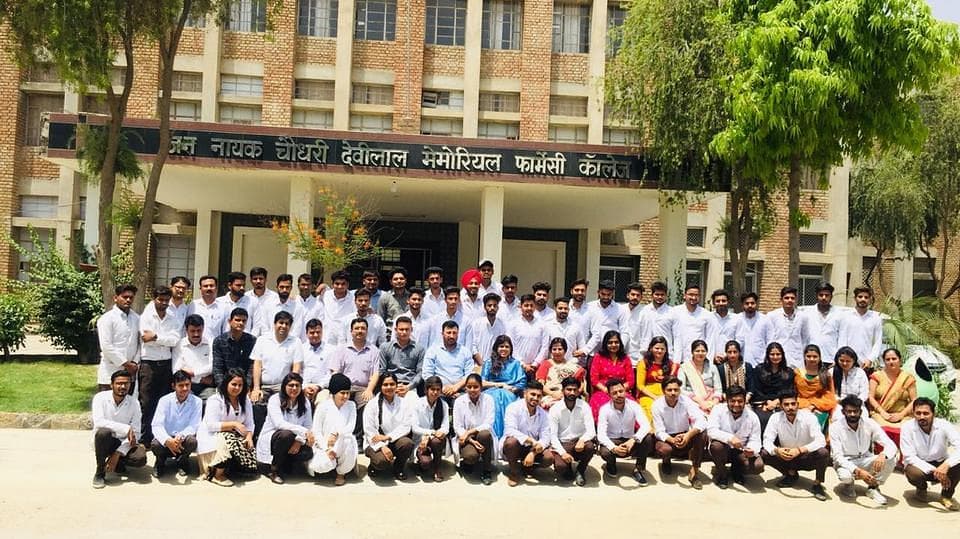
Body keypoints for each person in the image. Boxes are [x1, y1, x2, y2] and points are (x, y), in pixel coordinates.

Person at [761, 390, 830, 501]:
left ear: (797, 404)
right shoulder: (775, 418)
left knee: (823, 452)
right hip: (786, 456)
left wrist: (800, 450)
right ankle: (791, 475)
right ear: (781, 406)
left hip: (806, 456)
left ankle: (817, 484)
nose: (790, 407)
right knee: (764, 453)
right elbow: (767, 440)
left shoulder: (809, 417)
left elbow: (821, 440)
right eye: (786, 404)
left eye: (793, 404)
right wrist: (777, 450)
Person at [829, 395, 898, 505]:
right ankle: (848, 485)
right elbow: (837, 456)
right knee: (845, 477)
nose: (852, 414)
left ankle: (873, 487)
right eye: (849, 411)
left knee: (891, 458)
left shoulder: (869, 423)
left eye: (855, 411)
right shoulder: (835, 427)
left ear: (860, 412)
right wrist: (858, 471)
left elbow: (890, 444)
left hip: (865, 458)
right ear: (843, 412)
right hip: (846, 462)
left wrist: (883, 455)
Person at [197, 368, 257, 487]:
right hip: (213, 435)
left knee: (248, 456)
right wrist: (234, 424)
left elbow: (250, 423)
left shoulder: (245, 400)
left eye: (240, 385)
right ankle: (217, 475)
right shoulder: (215, 399)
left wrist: (249, 437)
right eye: (233, 384)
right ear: (226, 384)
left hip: (236, 433)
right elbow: (211, 425)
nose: (237, 388)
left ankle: (233, 468)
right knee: (227, 439)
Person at [138, 285, 181, 444]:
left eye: (166, 300)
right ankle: (145, 437)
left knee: (164, 401)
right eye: (160, 299)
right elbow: (145, 338)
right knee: (146, 402)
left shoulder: (172, 317)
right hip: (148, 363)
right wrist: (163, 339)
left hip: (166, 363)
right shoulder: (146, 316)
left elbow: (174, 340)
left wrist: (156, 337)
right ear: (154, 298)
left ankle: (161, 437)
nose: (163, 303)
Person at [901, 397, 960, 510]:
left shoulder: (944, 425)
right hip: (920, 465)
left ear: (933, 413)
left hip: (941, 461)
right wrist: (935, 470)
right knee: (912, 472)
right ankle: (921, 488)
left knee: (958, 464)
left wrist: (946, 465)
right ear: (913, 413)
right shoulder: (907, 427)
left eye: (926, 413)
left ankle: (946, 496)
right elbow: (909, 456)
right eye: (918, 413)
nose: (921, 417)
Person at [91, 370, 147, 488]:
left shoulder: (134, 403)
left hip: (123, 442)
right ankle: (100, 472)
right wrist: (126, 428)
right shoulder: (100, 398)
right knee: (103, 433)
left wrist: (117, 453)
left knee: (140, 458)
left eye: (126, 383)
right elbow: (99, 422)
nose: (122, 386)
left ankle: (118, 462)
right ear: (111, 385)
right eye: (119, 383)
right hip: (105, 441)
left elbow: (136, 432)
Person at [255, 372, 315, 484]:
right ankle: (274, 470)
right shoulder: (275, 399)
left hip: (295, 438)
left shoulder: (305, 402)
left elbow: (308, 425)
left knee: (307, 453)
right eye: (291, 385)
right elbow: (279, 424)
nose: (294, 388)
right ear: (284, 386)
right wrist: (303, 432)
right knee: (286, 434)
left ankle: (286, 464)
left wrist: (299, 440)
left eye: (297, 385)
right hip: (275, 437)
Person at [652, 376, 708, 489]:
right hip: (668, 438)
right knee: (665, 449)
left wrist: (688, 435)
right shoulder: (657, 405)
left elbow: (701, 420)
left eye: (676, 390)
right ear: (663, 391)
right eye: (669, 390)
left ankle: (694, 471)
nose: (673, 393)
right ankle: (666, 461)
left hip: (685, 435)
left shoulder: (686, 401)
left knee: (702, 433)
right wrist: (672, 440)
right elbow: (659, 431)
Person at [597, 378, 654, 485]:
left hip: (630, 440)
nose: (619, 395)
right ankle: (611, 465)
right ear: (609, 394)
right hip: (613, 440)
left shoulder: (634, 405)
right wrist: (614, 448)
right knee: (605, 451)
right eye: (614, 393)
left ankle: (638, 469)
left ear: (625, 391)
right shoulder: (605, 409)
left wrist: (633, 440)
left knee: (648, 438)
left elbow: (646, 425)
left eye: (621, 391)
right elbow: (601, 435)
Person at [707, 385, 764, 488]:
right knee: (716, 446)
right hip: (724, 448)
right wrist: (730, 438)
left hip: (741, 451)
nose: (736, 404)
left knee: (758, 466)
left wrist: (752, 450)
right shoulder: (718, 409)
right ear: (727, 400)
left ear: (745, 401)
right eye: (732, 401)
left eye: (740, 401)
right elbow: (711, 430)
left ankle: (737, 470)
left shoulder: (752, 416)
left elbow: (755, 439)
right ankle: (722, 474)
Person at [150, 370, 201, 478]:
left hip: (183, 439)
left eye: (187, 385)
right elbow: (156, 425)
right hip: (167, 438)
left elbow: (194, 425)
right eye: (181, 385)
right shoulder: (164, 400)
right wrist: (167, 440)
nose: (185, 388)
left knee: (192, 441)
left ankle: (183, 460)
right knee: (155, 444)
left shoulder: (197, 401)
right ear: (173, 386)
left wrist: (180, 437)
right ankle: (160, 461)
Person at [308, 373, 357, 486]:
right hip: (324, 445)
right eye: (342, 393)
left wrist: (336, 433)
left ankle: (341, 473)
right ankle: (330, 465)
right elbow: (316, 431)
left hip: (343, 443)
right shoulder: (323, 406)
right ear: (334, 393)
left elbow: (350, 427)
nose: (345, 396)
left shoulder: (351, 405)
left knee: (348, 440)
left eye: (347, 393)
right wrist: (327, 449)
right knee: (323, 466)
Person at [501, 382, 554, 486]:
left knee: (549, 458)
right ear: (525, 393)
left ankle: (527, 467)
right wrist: (531, 441)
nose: (535, 398)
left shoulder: (543, 414)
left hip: (532, 448)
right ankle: (514, 472)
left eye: (539, 396)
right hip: (516, 446)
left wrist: (533, 453)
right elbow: (510, 430)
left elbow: (546, 437)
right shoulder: (513, 407)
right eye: (532, 394)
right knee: (511, 442)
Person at [363, 372, 415, 480]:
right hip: (375, 442)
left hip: (394, 439)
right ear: (380, 386)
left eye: (392, 384)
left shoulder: (404, 403)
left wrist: (388, 437)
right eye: (385, 384)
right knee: (381, 462)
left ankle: (399, 467)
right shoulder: (372, 404)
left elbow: (406, 426)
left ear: (396, 385)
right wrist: (382, 446)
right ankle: (374, 465)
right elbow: (369, 430)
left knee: (407, 444)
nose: (389, 387)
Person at [549, 376, 596, 486]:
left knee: (590, 447)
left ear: (578, 391)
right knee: (561, 468)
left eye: (575, 390)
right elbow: (552, 436)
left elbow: (591, 430)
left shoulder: (584, 406)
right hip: (563, 443)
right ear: (563, 390)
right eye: (569, 389)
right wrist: (563, 453)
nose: (572, 393)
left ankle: (580, 470)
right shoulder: (555, 409)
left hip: (579, 442)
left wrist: (582, 440)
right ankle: (568, 467)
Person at [250, 311, 304, 405]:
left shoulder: (296, 342)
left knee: (285, 406)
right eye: (281, 323)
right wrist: (256, 388)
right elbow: (257, 365)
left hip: (283, 388)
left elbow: (296, 368)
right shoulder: (262, 340)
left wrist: (290, 388)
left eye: (287, 324)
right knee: (256, 403)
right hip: (264, 387)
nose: (283, 326)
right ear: (274, 324)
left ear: (290, 326)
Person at [867, 347, 917, 448]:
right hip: (880, 413)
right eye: (888, 359)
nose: (891, 362)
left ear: (900, 360)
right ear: (884, 361)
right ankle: (883, 455)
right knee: (882, 430)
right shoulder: (876, 376)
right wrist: (883, 413)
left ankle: (903, 456)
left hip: (903, 415)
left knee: (906, 430)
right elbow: (870, 397)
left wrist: (901, 415)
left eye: (894, 359)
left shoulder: (907, 378)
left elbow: (914, 400)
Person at [453, 373, 496, 485]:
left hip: (482, 435)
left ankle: (487, 470)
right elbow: (457, 426)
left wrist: (470, 432)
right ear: (465, 387)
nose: (472, 390)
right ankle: (468, 462)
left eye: (476, 387)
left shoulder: (489, 399)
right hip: (466, 438)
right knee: (471, 456)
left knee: (485, 434)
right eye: (469, 387)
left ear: (481, 387)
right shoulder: (459, 401)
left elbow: (489, 423)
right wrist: (470, 439)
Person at [751, 287, 810, 369]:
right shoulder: (772, 316)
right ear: (781, 300)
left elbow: (805, 339)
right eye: (786, 298)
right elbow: (769, 338)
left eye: (792, 298)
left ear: (796, 300)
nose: (789, 300)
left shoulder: (803, 316)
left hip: (797, 360)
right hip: (777, 359)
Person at [327, 318, 380, 408]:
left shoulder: (374, 351)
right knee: (332, 403)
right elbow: (335, 372)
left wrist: (369, 390)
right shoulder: (342, 349)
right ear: (351, 331)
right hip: (343, 388)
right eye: (357, 328)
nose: (360, 331)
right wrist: (338, 389)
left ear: (367, 331)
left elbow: (376, 373)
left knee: (371, 404)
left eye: (363, 328)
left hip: (363, 389)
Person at [481, 335, 527, 437]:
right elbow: (482, 382)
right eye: (501, 346)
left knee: (505, 397)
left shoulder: (515, 363)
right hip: (491, 390)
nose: (504, 349)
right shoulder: (489, 363)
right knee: (496, 398)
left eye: (507, 347)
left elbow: (522, 381)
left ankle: (508, 434)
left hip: (510, 392)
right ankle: (493, 435)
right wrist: (500, 385)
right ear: (496, 348)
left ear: (511, 349)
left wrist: (513, 389)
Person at [96, 285, 140, 391]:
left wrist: (134, 363)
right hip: (110, 372)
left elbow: (140, 343)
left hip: (130, 373)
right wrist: (126, 363)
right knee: (107, 400)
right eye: (125, 297)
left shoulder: (137, 318)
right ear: (115, 298)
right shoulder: (107, 319)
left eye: (131, 297)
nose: (128, 300)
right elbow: (106, 346)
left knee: (128, 401)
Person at [587, 330, 635, 420]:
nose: (613, 345)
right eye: (610, 342)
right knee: (603, 406)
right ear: (605, 344)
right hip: (603, 391)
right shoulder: (598, 357)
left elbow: (631, 381)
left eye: (616, 342)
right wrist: (607, 390)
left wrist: (619, 391)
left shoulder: (625, 358)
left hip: (621, 391)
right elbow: (594, 379)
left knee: (631, 406)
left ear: (620, 343)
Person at [373, 316, 425, 399]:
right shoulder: (385, 347)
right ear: (395, 330)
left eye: (407, 329)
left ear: (411, 330)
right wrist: (393, 385)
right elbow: (382, 370)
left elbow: (420, 372)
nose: (404, 332)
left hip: (410, 386)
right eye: (401, 329)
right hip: (389, 385)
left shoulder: (419, 349)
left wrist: (408, 387)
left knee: (413, 402)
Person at [422, 320, 475, 400]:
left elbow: (469, 375)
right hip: (437, 392)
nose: (451, 336)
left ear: (458, 334)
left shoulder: (465, 352)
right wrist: (442, 389)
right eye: (448, 333)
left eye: (454, 333)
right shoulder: (432, 351)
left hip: (459, 392)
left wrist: (455, 388)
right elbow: (427, 374)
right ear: (442, 334)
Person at [411, 376, 450, 482]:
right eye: (432, 389)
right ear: (426, 390)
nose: (435, 392)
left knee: (437, 441)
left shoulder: (444, 405)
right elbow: (414, 428)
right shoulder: (417, 404)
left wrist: (433, 435)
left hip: (436, 439)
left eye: (438, 389)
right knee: (425, 463)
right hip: (420, 440)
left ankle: (437, 468)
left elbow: (446, 427)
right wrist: (431, 433)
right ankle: (421, 463)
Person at [665, 285, 718, 363]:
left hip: (699, 360)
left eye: (696, 295)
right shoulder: (674, 312)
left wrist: (708, 360)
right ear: (684, 295)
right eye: (691, 294)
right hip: (678, 359)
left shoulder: (706, 315)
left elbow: (710, 340)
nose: (693, 297)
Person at [749, 342, 795, 430]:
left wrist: (777, 402)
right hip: (763, 403)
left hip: (781, 403)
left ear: (782, 355)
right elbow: (757, 390)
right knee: (762, 418)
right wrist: (767, 402)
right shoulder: (759, 370)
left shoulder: (788, 372)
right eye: (772, 354)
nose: (775, 357)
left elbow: (789, 391)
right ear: (767, 355)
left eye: (778, 354)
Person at [838, 286, 883, 369]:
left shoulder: (875, 318)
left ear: (870, 299)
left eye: (866, 297)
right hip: (848, 362)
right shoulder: (846, 316)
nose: (863, 299)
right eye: (860, 297)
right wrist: (844, 358)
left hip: (866, 363)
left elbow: (878, 342)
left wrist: (870, 359)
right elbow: (842, 339)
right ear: (855, 298)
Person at [578, 280, 628, 356]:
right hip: (592, 352)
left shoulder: (620, 309)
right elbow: (584, 330)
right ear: (598, 292)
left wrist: (619, 349)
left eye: (609, 294)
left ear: (613, 294)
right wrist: (585, 349)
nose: (606, 297)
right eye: (603, 294)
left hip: (612, 353)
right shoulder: (589, 307)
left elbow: (625, 332)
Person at [635, 336, 678, 423]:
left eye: (662, 349)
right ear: (651, 348)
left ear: (666, 350)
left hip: (666, 393)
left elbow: (673, 382)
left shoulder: (669, 364)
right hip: (648, 395)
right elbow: (640, 385)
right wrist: (655, 397)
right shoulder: (644, 363)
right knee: (651, 409)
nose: (659, 351)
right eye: (657, 348)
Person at [536, 337, 586, 409]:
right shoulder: (546, 364)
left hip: (571, 395)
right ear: (550, 351)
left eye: (560, 349)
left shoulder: (573, 367)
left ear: (565, 351)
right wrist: (553, 394)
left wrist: (572, 394)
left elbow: (581, 384)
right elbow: (540, 384)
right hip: (551, 396)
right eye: (554, 349)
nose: (557, 352)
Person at [211, 308, 256, 387]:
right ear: (229, 321)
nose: (241, 323)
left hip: (245, 385)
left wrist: (246, 387)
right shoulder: (219, 341)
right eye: (237, 320)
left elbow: (251, 368)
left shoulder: (252, 341)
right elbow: (218, 368)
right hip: (225, 384)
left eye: (244, 321)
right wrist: (223, 388)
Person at [173, 314, 215, 399]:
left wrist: (194, 373)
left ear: (203, 329)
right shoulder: (179, 345)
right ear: (186, 330)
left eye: (199, 330)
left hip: (207, 387)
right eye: (192, 331)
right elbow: (176, 370)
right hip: (187, 386)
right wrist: (200, 379)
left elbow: (213, 366)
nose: (196, 334)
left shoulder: (211, 343)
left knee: (213, 400)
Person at [795, 344, 836, 429]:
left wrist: (814, 405)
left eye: (815, 356)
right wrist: (806, 405)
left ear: (820, 358)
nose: (811, 359)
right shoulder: (797, 373)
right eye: (808, 356)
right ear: (804, 357)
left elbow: (830, 396)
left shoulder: (825, 375)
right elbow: (793, 393)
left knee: (818, 422)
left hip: (820, 406)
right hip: (800, 405)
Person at [508, 294, 550, 376]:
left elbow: (545, 347)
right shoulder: (513, 324)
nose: (529, 308)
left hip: (536, 368)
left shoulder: (542, 325)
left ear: (535, 307)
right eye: (526, 305)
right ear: (521, 306)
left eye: (531, 305)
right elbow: (511, 346)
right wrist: (522, 364)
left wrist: (535, 364)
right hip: (516, 367)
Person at [678, 339, 722, 414]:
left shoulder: (712, 367)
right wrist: (700, 401)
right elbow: (681, 389)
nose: (700, 353)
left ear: (707, 352)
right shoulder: (684, 367)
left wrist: (714, 403)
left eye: (703, 351)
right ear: (692, 352)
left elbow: (718, 389)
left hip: (711, 402)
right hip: (692, 401)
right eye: (697, 351)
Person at [803, 282, 842, 366]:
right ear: (816, 296)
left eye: (827, 295)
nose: (824, 298)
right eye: (821, 295)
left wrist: (839, 358)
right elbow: (803, 336)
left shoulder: (839, 314)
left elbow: (842, 338)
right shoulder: (806, 313)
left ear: (831, 297)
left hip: (831, 358)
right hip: (811, 358)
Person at [466, 292, 507, 366]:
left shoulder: (502, 325)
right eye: (489, 305)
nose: (492, 308)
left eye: (495, 305)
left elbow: (503, 346)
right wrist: (482, 364)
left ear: (498, 308)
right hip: (478, 365)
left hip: (496, 365)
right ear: (485, 307)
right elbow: (473, 346)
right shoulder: (477, 324)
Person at [218, 271, 261, 337]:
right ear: (229, 286)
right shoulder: (219, 302)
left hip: (247, 341)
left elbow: (257, 326)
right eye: (238, 285)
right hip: (224, 341)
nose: (242, 288)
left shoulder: (253, 302)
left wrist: (250, 340)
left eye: (243, 285)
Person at [831, 346, 869, 421]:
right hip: (839, 404)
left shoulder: (860, 373)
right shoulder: (831, 372)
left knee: (863, 418)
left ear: (854, 361)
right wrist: (840, 401)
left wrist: (856, 403)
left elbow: (864, 392)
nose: (844, 363)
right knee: (838, 418)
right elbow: (829, 392)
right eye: (842, 360)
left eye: (848, 361)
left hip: (858, 404)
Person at [547, 296, 587, 366]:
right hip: (552, 366)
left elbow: (582, 348)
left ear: (569, 309)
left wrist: (575, 361)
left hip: (572, 365)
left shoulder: (576, 326)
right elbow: (545, 348)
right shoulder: (547, 326)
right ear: (555, 308)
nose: (563, 310)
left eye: (565, 308)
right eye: (560, 308)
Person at [187, 275, 226, 343]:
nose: (209, 288)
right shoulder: (192, 305)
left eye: (211, 286)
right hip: (194, 346)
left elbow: (226, 331)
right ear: (200, 288)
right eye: (205, 286)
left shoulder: (224, 307)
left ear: (216, 288)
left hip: (214, 346)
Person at [301, 318, 331, 403]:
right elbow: (298, 371)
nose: (315, 335)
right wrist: (304, 387)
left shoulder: (330, 350)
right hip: (303, 387)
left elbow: (330, 373)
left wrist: (318, 387)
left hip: (322, 388)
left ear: (322, 332)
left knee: (322, 401)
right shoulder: (301, 349)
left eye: (318, 332)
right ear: (306, 333)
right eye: (312, 332)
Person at [321, 270, 356, 341]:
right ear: (332, 284)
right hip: (326, 337)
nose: (340, 286)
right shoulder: (325, 295)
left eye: (343, 284)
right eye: (337, 284)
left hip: (345, 338)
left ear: (348, 285)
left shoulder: (353, 298)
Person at [709, 289, 740, 365]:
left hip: (731, 360)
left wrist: (727, 355)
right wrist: (712, 356)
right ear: (713, 303)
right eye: (718, 301)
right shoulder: (708, 318)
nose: (721, 303)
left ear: (728, 302)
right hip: (711, 360)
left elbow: (739, 340)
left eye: (723, 301)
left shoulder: (736, 319)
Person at [735, 292, 765, 366]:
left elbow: (770, 340)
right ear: (742, 305)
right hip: (740, 363)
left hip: (761, 362)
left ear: (756, 304)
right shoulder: (736, 319)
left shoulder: (765, 319)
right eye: (747, 303)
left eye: (752, 303)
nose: (750, 305)